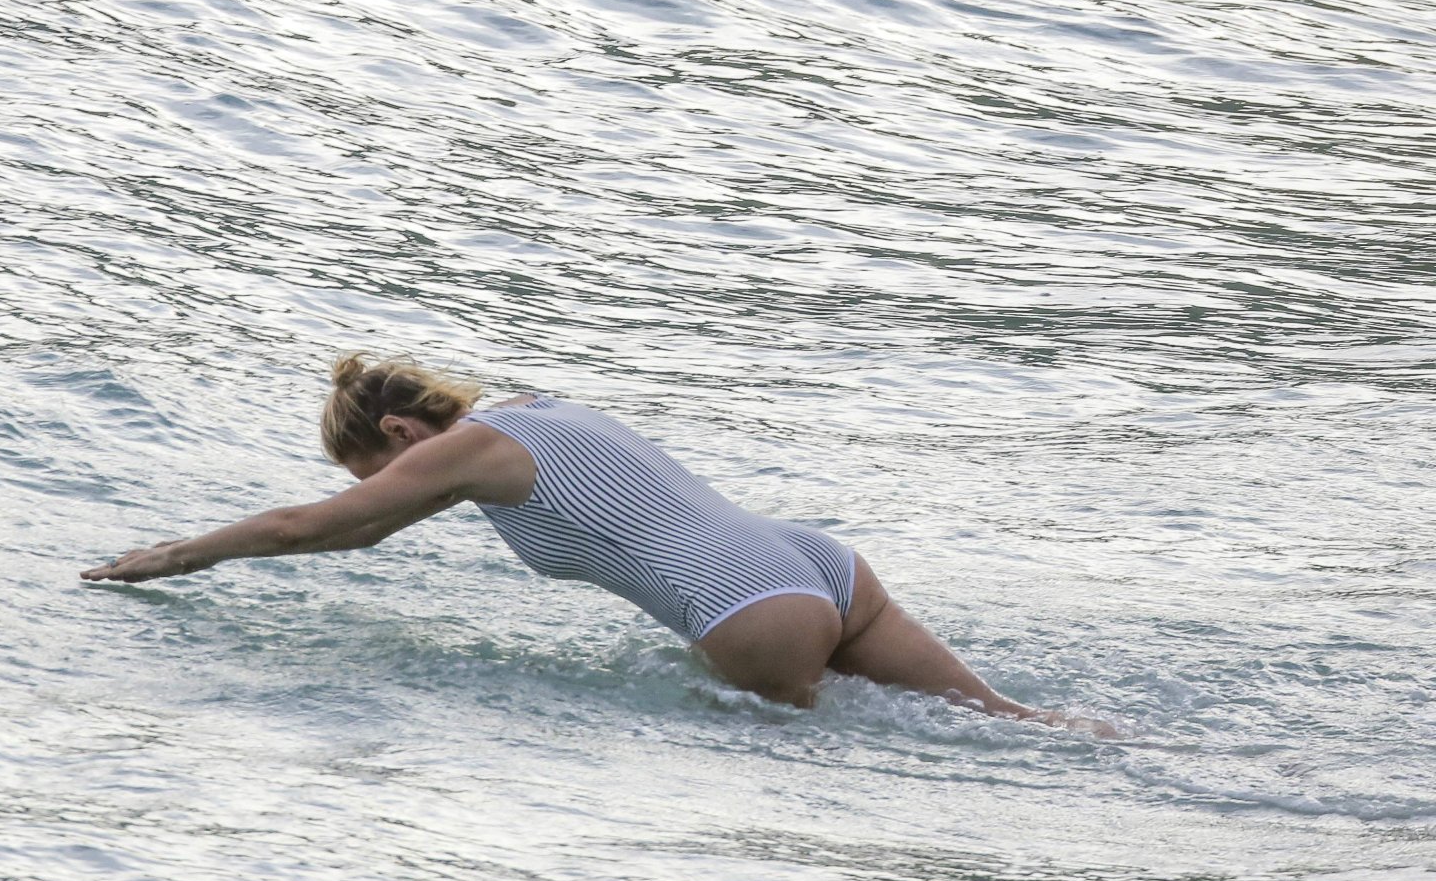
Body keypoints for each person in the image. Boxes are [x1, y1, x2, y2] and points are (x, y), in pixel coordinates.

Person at [82, 353, 1075, 727]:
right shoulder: (529, 410)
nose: (378, 494)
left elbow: (307, 524)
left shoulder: (463, 450)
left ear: (400, 434)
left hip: (748, 610)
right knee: (1006, 723)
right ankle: (1128, 746)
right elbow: (358, 537)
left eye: (373, 472)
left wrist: (173, 557)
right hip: (818, 566)